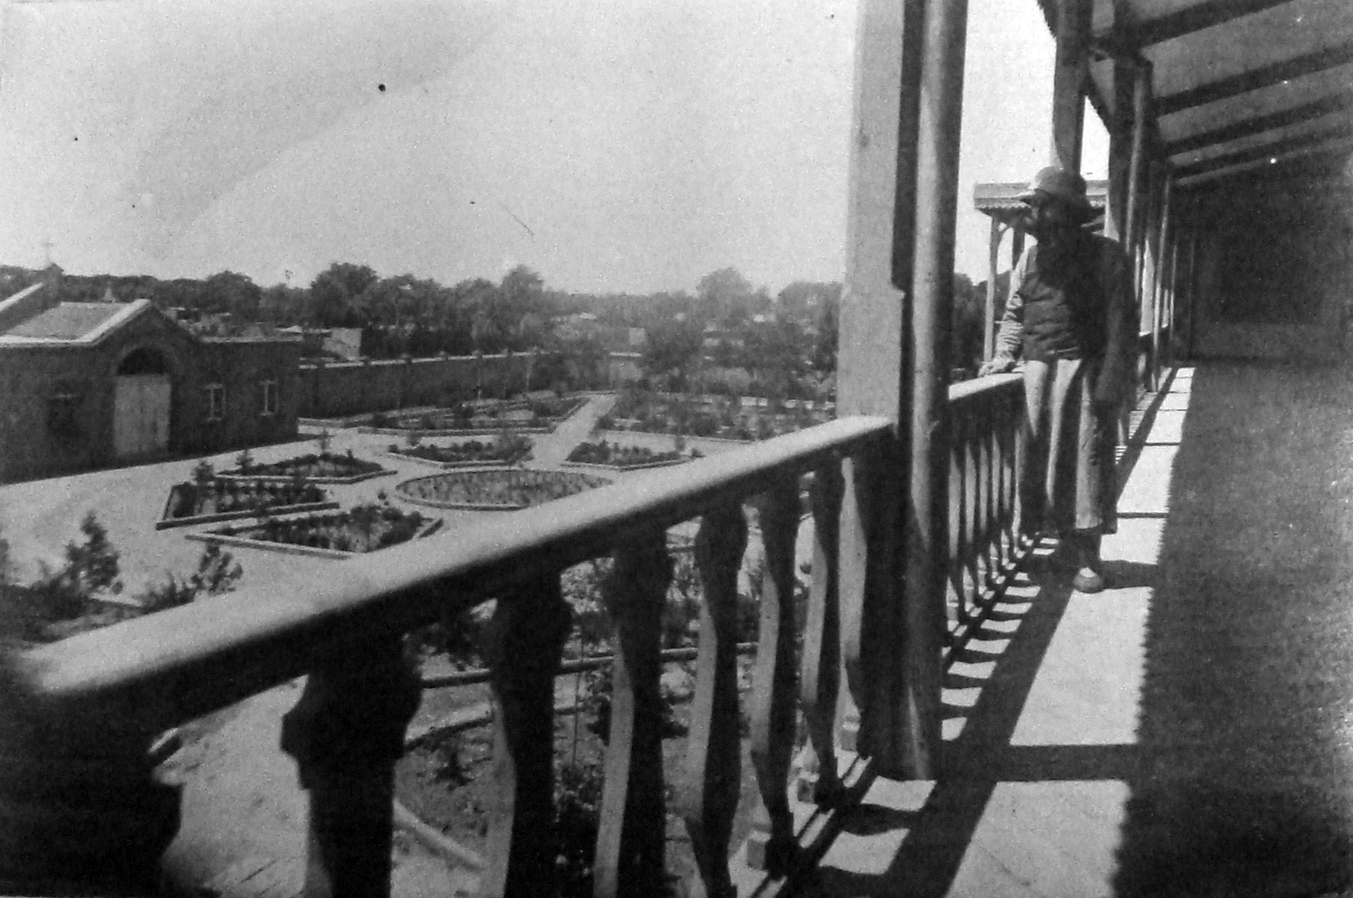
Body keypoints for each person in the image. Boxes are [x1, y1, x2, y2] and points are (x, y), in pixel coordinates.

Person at [978, 166, 1134, 593]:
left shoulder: (1107, 256)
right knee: (1044, 466)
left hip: (1084, 375)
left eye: (1041, 206)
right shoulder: (1029, 260)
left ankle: (1089, 558)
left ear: (1065, 212)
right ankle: (1064, 548)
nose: (1033, 214)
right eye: (1032, 206)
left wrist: (1109, 387)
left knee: (1086, 464)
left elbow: (1122, 327)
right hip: (1038, 375)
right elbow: (1014, 315)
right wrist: (1004, 354)